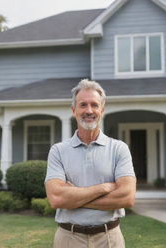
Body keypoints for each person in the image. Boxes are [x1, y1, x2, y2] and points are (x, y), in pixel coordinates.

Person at [45, 79, 136, 248]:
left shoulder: (119, 149)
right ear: (74, 110)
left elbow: (127, 196)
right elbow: (57, 198)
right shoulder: (58, 151)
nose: (89, 110)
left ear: (102, 110)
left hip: (109, 239)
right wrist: (104, 188)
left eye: (94, 105)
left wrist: (74, 198)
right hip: (68, 239)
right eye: (83, 105)